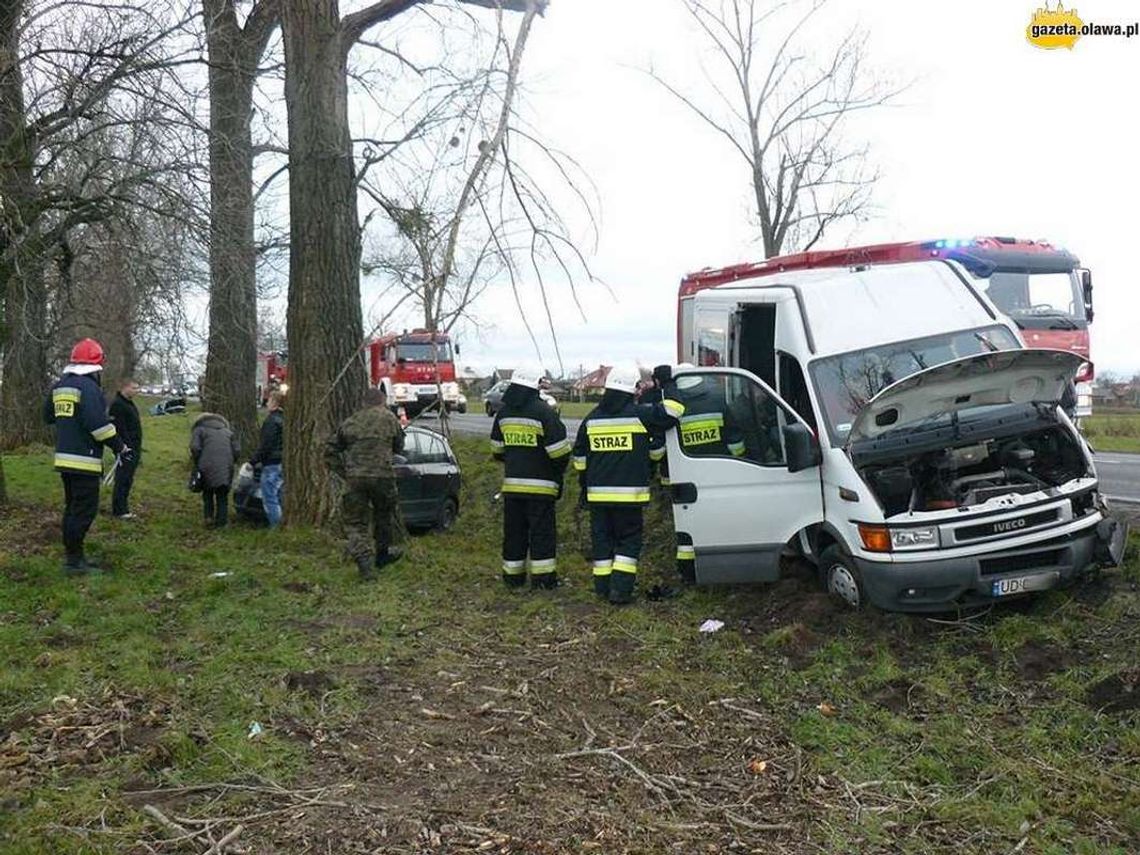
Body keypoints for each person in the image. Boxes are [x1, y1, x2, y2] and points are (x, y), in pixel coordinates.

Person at [572, 364, 684, 605]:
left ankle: (603, 588)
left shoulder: (591, 418)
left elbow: (579, 458)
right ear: (631, 390)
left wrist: (585, 485)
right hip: (628, 497)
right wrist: (667, 383)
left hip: (597, 497)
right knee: (628, 541)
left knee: (602, 543)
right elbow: (674, 411)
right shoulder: (639, 415)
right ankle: (620, 592)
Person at [43, 338, 131, 574]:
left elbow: (48, 416)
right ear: (96, 366)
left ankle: (75, 557)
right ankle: (74, 562)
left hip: (63, 459)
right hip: (85, 461)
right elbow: (98, 426)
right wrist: (119, 445)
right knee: (83, 511)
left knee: (72, 509)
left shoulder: (59, 386)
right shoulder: (89, 389)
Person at [490, 368, 571, 589]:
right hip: (542, 488)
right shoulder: (544, 412)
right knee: (541, 534)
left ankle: (513, 578)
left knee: (514, 534)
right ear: (535, 385)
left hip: (513, 487)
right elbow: (559, 452)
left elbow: (497, 450)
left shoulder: (504, 413)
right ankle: (543, 581)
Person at [325, 387, 406, 580]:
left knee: (355, 523)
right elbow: (399, 446)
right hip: (383, 477)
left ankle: (364, 564)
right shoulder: (389, 419)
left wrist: (343, 471)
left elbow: (330, 450)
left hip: (355, 478)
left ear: (364, 403)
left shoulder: (351, 421)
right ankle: (383, 554)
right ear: (382, 401)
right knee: (384, 515)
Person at [190, 412, 240, 528]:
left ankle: (209, 518)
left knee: (207, 493)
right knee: (222, 495)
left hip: (206, 465)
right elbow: (237, 450)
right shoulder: (228, 432)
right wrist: (232, 461)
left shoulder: (199, 430)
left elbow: (195, 447)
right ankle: (222, 521)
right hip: (226, 466)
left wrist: (197, 460)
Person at [108, 378, 142, 519]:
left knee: (128, 479)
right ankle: (119, 509)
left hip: (133, 447)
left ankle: (123, 507)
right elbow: (119, 428)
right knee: (123, 479)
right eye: (134, 388)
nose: (137, 391)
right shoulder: (118, 405)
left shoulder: (129, 404)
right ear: (125, 387)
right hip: (126, 449)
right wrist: (125, 447)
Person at [252, 391, 285, 527]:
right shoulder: (285, 419)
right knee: (279, 495)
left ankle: (276, 526)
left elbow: (266, 444)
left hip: (271, 462)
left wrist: (254, 460)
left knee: (270, 498)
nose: (267, 403)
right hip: (282, 461)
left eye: (270, 400)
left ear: (275, 403)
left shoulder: (272, 421)